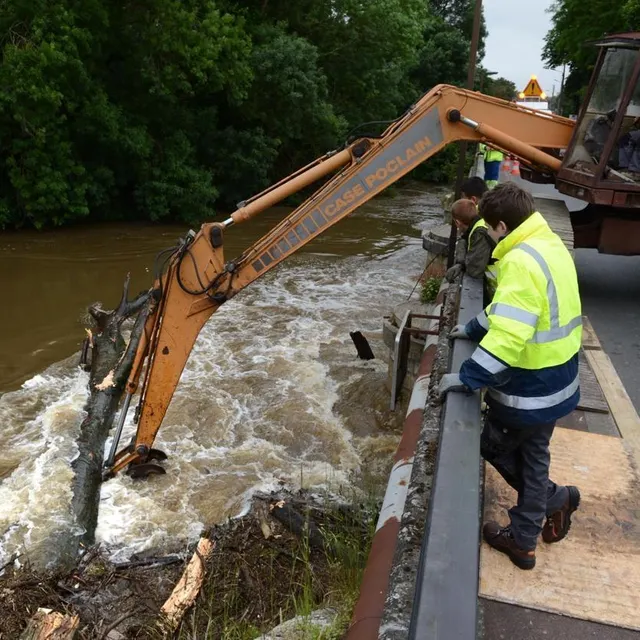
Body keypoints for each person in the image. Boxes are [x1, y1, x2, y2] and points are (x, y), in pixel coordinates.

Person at [439, 182, 582, 571]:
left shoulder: (519, 260)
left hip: (531, 384)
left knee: (496, 446)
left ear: (501, 225)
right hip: (560, 377)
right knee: (535, 456)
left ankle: (533, 525)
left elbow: (510, 332)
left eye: (490, 229)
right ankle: (538, 521)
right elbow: (513, 310)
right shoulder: (548, 244)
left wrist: (468, 376)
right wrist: (473, 327)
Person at [445, 199, 498, 302]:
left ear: (457, 222)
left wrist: (462, 265)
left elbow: (474, 270)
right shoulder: (479, 221)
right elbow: (464, 239)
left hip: (499, 288)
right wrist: (461, 262)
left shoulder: (480, 233)